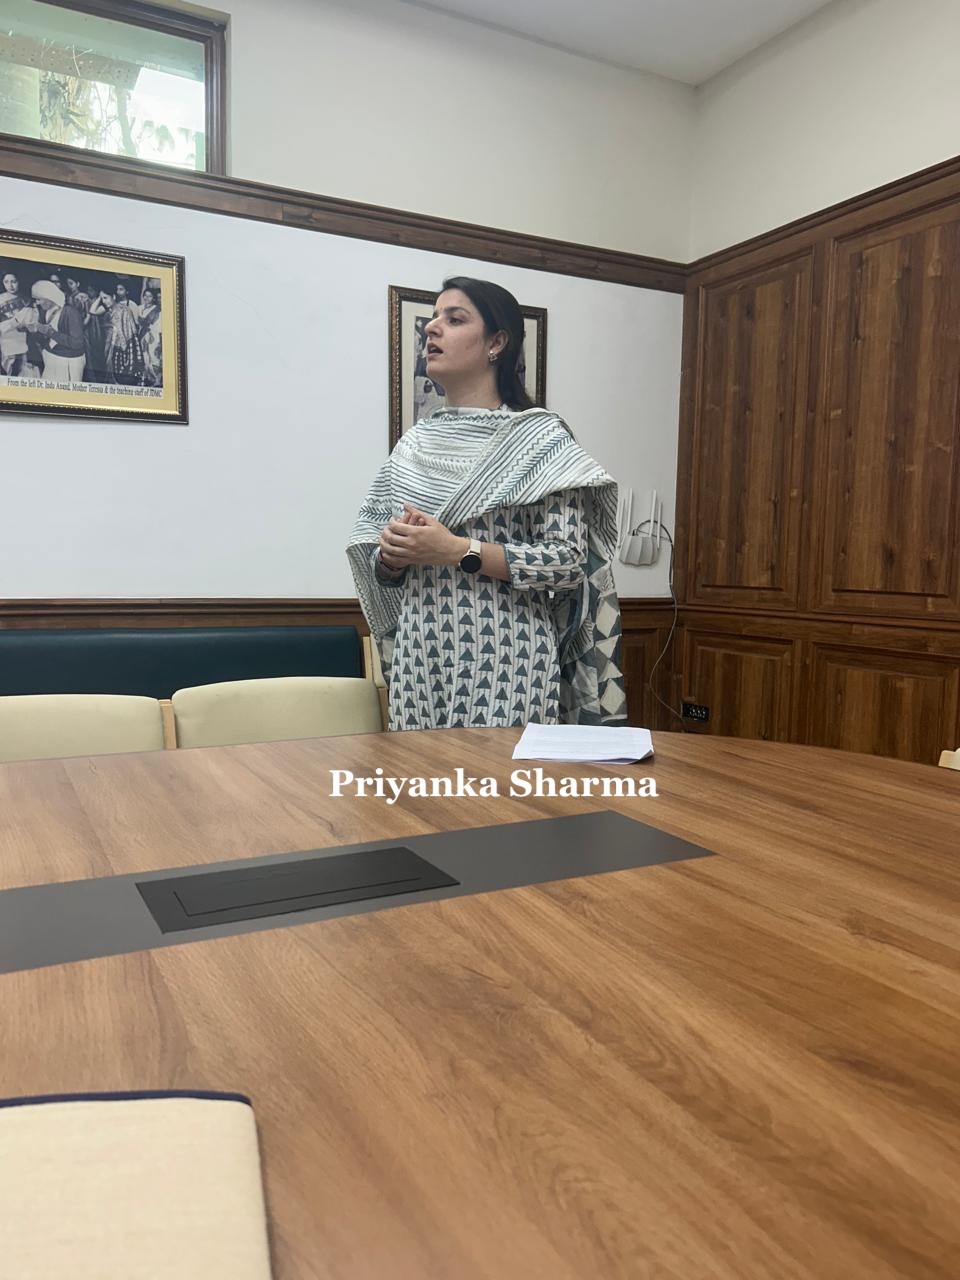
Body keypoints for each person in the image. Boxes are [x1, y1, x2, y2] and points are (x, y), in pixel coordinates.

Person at [347, 275, 627, 731]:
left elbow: (568, 563)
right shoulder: (413, 446)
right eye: (433, 318)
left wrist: (458, 550)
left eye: (454, 319)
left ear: (497, 342)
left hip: (508, 657)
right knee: (420, 778)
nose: (431, 328)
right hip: (421, 657)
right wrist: (393, 556)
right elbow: (380, 568)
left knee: (504, 780)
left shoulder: (540, 441)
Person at [27, 280, 86, 382]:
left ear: (49, 297)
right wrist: (34, 331)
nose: (37, 303)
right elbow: (44, 339)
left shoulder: (70, 312)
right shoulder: (44, 311)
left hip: (69, 361)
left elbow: (78, 343)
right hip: (51, 358)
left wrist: (51, 333)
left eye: (39, 299)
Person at [89, 284, 144, 384]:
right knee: (109, 370)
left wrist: (123, 350)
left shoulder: (123, 309)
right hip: (108, 343)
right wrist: (100, 297)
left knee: (118, 373)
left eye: (106, 298)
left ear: (113, 296)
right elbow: (92, 310)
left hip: (119, 346)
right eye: (102, 299)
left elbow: (125, 331)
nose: (104, 301)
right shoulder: (107, 309)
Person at [0, 271, 34, 377]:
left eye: (13, 281)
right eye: (6, 282)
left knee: (21, 371)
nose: (10, 285)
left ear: (19, 282)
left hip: (22, 340)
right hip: (5, 341)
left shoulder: (26, 300)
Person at [137, 287, 163, 386]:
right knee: (144, 356)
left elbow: (159, 327)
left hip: (154, 337)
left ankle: (157, 380)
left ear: (153, 298)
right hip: (142, 336)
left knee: (154, 357)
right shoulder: (139, 308)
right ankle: (146, 378)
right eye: (145, 295)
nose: (147, 298)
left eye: (150, 296)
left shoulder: (157, 310)